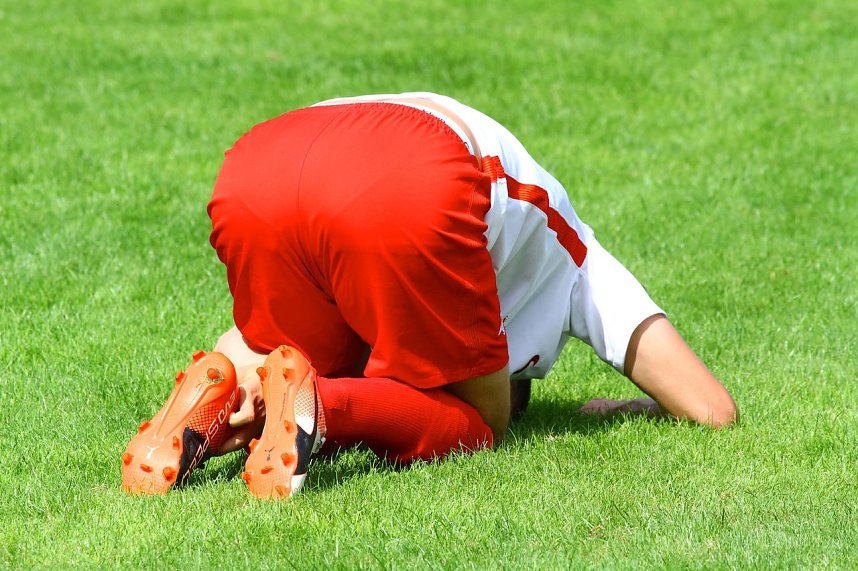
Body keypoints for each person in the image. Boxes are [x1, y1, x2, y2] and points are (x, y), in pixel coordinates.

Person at [125, 92, 737, 498]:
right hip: (410, 172)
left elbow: (276, 340)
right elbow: (712, 409)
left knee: (284, 349)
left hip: (262, 162)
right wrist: (636, 409)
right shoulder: (578, 259)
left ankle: (218, 386)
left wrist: (253, 393)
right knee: (483, 422)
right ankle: (321, 408)